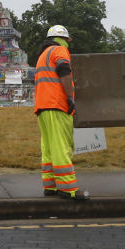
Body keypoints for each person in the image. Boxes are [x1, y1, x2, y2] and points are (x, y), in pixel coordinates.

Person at [34, 24, 87, 200]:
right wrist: (70, 97)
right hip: (57, 103)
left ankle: (50, 186)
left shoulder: (43, 55)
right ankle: (68, 189)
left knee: (48, 148)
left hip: (42, 106)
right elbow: (64, 72)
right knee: (62, 146)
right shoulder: (59, 51)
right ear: (64, 39)